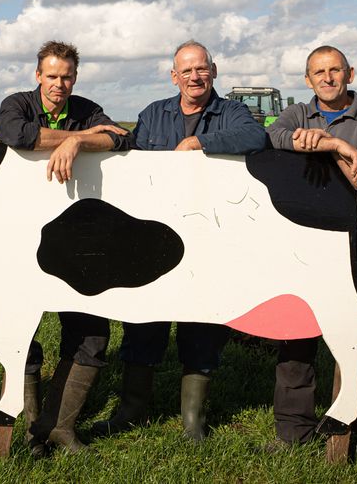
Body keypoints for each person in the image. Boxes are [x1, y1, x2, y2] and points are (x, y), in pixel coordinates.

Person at [93, 40, 267, 441]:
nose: (195, 76)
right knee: (143, 320)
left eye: (201, 69)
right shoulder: (154, 115)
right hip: (154, 237)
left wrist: (199, 143)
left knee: (203, 323)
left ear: (214, 71)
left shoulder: (234, 113)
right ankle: (132, 409)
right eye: (186, 70)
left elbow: (255, 137)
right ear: (175, 76)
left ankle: (193, 421)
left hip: (209, 236)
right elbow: (132, 159)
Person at [266, 45, 357, 459]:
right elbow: (271, 136)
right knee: (296, 330)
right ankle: (292, 432)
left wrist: (330, 148)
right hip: (310, 239)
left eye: (335, 70)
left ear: (350, 73)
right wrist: (332, 144)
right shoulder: (295, 115)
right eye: (318, 72)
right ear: (307, 80)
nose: (327, 78)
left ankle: (351, 434)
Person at [0, 40, 131, 455]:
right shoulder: (16, 103)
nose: (59, 84)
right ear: (38, 75)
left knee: (91, 332)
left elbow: (122, 138)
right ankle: (29, 426)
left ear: (75, 77)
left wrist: (77, 142)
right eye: (52, 76)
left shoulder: (87, 108)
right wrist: (76, 136)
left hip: (79, 239)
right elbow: (15, 135)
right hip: (22, 236)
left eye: (67, 76)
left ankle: (60, 426)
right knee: (23, 332)